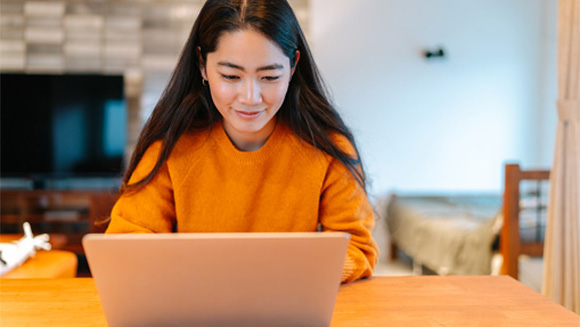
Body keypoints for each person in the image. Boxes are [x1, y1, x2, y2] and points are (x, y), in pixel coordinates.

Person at [106, 0, 378, 283]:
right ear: (202, 65)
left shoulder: (326, 148)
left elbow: (357, 247)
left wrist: (291, 275)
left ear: (294, 66)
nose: (250, 97)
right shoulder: (171, 148)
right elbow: (125, 246)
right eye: (231, 76)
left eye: (269, 76)